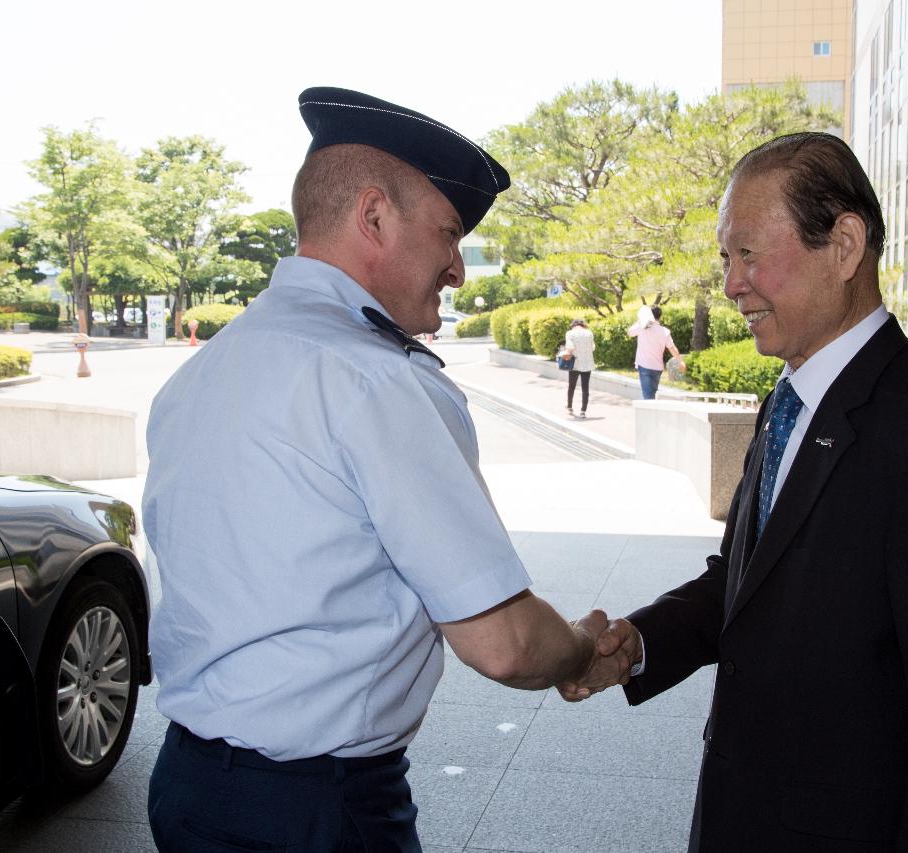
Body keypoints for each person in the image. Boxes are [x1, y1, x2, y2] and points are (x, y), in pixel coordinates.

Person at [142, 88, 625, 852]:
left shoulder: (201, 374)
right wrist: (581, 649)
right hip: (316, 814)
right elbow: (502, 640)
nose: (458, 269)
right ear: (373, 216)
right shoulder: (376, 381)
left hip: (187, 788)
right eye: (448, 234)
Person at [566, 133, 908, 851]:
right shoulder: (789, 399)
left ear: (845, 245)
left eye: (749, 253)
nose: (730, 284)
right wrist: (638, 644)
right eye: (727, 258)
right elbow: (744, 582)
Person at [627, 304, 679, 398]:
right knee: (652, 393)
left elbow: (629, 332)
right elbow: (672, 348)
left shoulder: (642, 327)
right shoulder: (665, 331)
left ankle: (648, 412)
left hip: (644, 365)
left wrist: (639, 321)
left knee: (647, 394)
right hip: (657, 367)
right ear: (660, 316)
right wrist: (680, 361)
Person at [564, 318, 595, 417]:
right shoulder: (589, 333)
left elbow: (570, 347)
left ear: (573, 325)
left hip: (575, 364)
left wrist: (564, 353)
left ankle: (569, 407)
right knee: (585, 388)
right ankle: (583, 411)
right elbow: (592, 347)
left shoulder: (570, 333)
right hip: (587, 363)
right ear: (583, 325)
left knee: (571, 386)